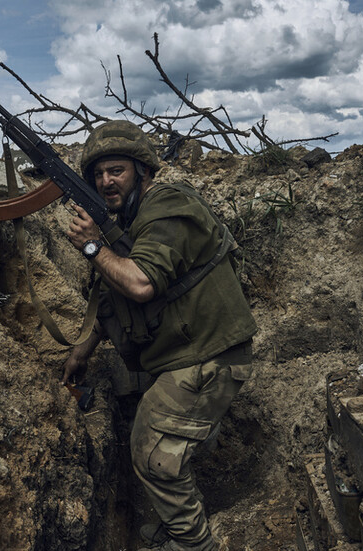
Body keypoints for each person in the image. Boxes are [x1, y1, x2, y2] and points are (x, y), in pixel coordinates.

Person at [61, 120, 257, 551]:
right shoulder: (132, 220)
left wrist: (93, 247)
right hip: (186, 351)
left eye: (117, 170)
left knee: (151, 454)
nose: (106, 182)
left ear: (143, 170)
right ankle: (178, 519)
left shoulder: (167, 206)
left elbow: (140, 284)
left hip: (209, 355)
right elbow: (114, 297)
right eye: (98, 174)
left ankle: (193, 544)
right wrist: (82, 351)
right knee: (156, 448)